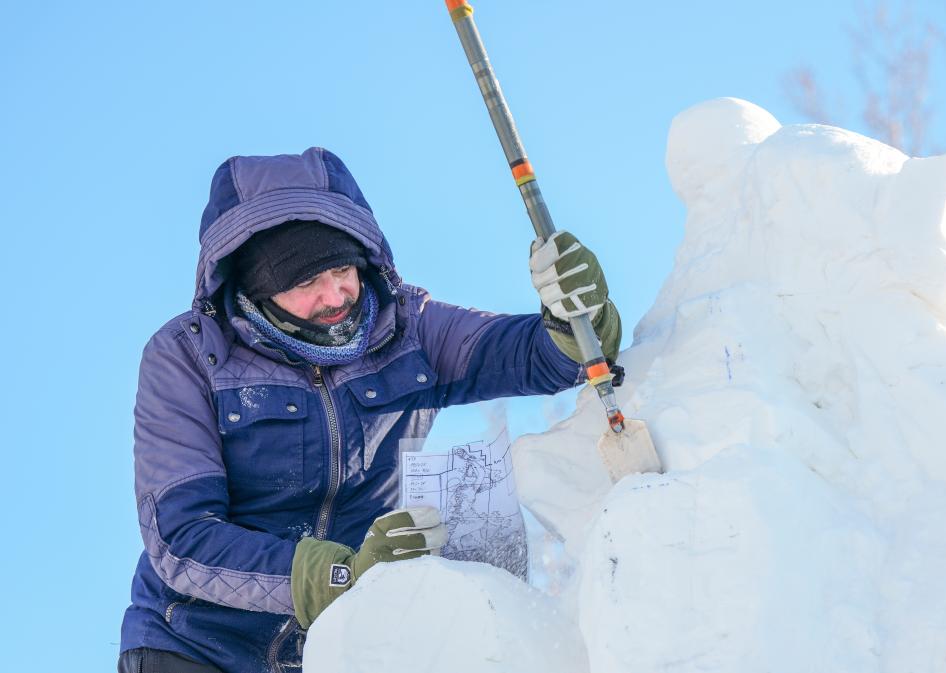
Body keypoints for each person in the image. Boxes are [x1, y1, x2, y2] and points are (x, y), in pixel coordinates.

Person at [118, 147, 621, 673]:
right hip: (195, 647)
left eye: (342, 268)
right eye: (304, 281)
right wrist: (341, 574)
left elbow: (540, 358)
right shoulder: (190, 357)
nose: (335, 295)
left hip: (336, 648)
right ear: (256, 286)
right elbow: (182, 538)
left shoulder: (406, 329)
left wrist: (574, 318)